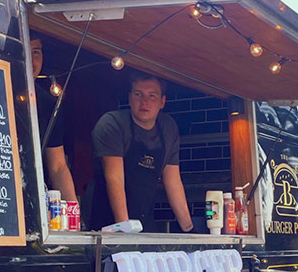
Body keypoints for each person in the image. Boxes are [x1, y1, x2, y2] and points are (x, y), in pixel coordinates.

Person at [86, 72, 193, 233]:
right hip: (108, 224)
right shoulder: (112, 124)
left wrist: (189, 230)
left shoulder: (168, 128)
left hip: (145, 220)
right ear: (129, 98)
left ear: (162, 102)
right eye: (138, 94)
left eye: (152, 96)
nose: (144, 102)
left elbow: (173, 181)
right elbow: (114, 178)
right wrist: (125, 229)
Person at [30, 33, 77, 202]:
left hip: (33, 198)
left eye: (36, 52)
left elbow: (58, 166)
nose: (31, 60)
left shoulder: (48, 103)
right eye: (24, 51)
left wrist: (75, 218)